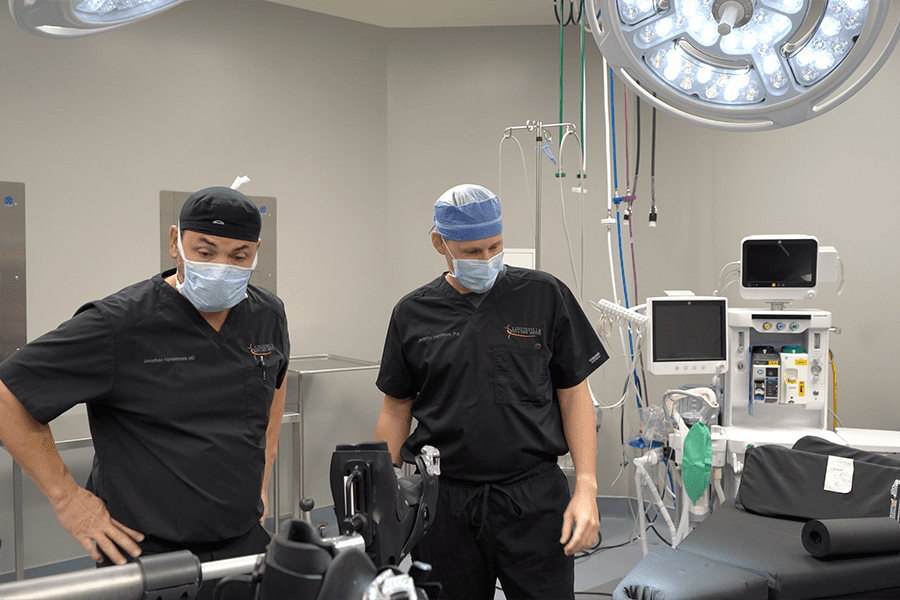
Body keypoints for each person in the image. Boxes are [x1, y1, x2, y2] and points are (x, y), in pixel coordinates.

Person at [0, 187, 290, 579]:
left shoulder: (267, 313)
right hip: (145, 551)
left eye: (239, 256)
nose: (222, 266)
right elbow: (8, 396)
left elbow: (275, 380)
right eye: (206, 252)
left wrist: (265, 465)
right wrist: (68, 500)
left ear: (255, 251)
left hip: (242, 541)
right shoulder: (119, 324)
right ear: (176, 242)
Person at [374, 184, 608, 600]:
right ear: (439, 243)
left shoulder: (544, 295)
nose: (486, 260)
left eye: (494, 247)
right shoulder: (413, 313)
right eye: (471, 252)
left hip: (533, 497)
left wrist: (586, 487)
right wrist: (380, 493)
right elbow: (396, 408)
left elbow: (574, 395)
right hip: (444, 501)